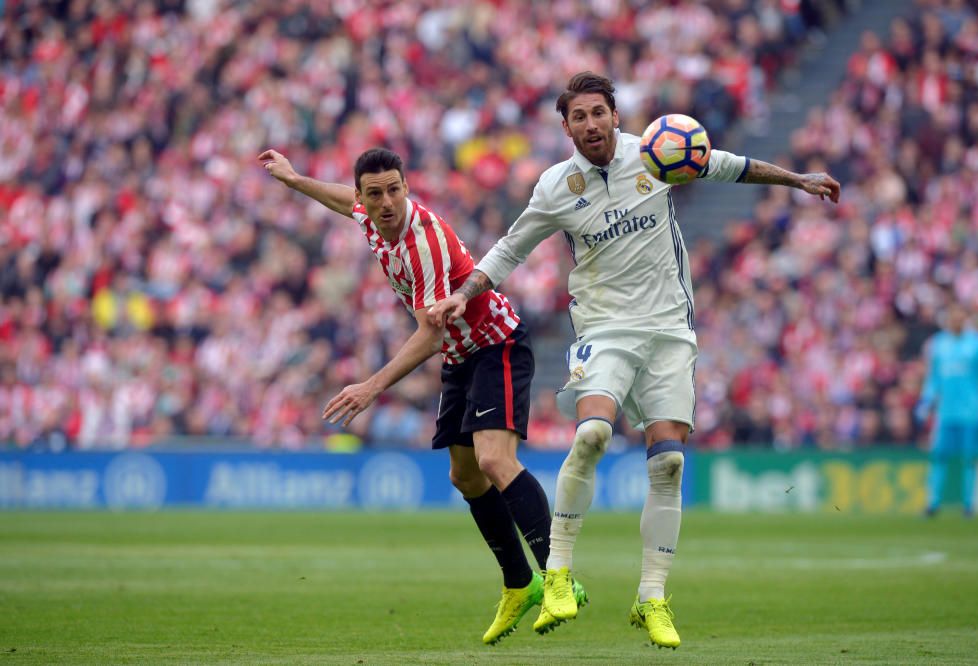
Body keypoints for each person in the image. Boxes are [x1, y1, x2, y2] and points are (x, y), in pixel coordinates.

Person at [427, 71, 841, 648]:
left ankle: (652, 597)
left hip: (670, 329)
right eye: (579, 116)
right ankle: (559, 573)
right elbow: (508, 250)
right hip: (604, 328)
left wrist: (798, 179)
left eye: (600, 112)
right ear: (566, 126)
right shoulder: (555, 187)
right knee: (593, 433)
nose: (591, 124)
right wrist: (462, 294)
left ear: (616, 116)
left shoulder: (656, 153)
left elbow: (729, 165)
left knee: (668, 465)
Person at [259, 147, 559, 644]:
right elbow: (342, 201)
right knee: (464, 476)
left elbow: (432, 333)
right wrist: (294, 180)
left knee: (493, 460)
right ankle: (520, 584)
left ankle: (558, 576)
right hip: (461, 358)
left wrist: (371, 386)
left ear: (406, 187)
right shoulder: (370, 215)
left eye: (394, 190)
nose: (386, 203)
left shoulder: (424, 243)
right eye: (374, 194)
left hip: (495, 343)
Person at [915, 301, 978, 517]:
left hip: (971, 411)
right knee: (939, 456)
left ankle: (968, 505)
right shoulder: (939, 344)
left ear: (965, 318)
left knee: (970, 458)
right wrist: (926, 400)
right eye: (953, 316)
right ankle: (933, 504)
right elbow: (933, 378)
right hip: (946, 412)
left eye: (960, 316)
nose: (956, 319)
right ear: (948, 318)